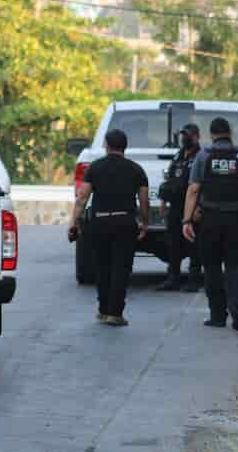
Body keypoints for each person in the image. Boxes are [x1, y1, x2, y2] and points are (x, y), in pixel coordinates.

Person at [182, 117, 238, 332]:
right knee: (236, 265)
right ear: (229, 133)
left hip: (210, 220)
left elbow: (193, 190)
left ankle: (218, 315)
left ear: (212, 134)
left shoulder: (203, 156)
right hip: (237, 220)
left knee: (211, 266)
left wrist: (186, 220)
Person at [68, 129, 149, 327]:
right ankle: (115, 313)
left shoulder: (94, 168)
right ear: (125, 147)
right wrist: (144, 222)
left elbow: (82, 198)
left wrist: (73, 222)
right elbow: (144, 200)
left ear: (106, 145)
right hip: (125, 223)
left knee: (102, 266)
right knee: (121, 268)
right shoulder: (136, 170)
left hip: (100, 223)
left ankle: (103, 310)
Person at [156, 123, 203, 292]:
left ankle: (194, 279)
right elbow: (169, 181)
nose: (185, 138)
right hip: (175, 207)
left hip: (192, 206)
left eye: (188, 135)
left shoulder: (201, 156)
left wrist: (200, 207)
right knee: (173, 243)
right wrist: (163, 202)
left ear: (197, 137)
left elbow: (204, 184)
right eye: (183, 135)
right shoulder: (178, 156)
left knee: (193, 244)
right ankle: (173, 277)